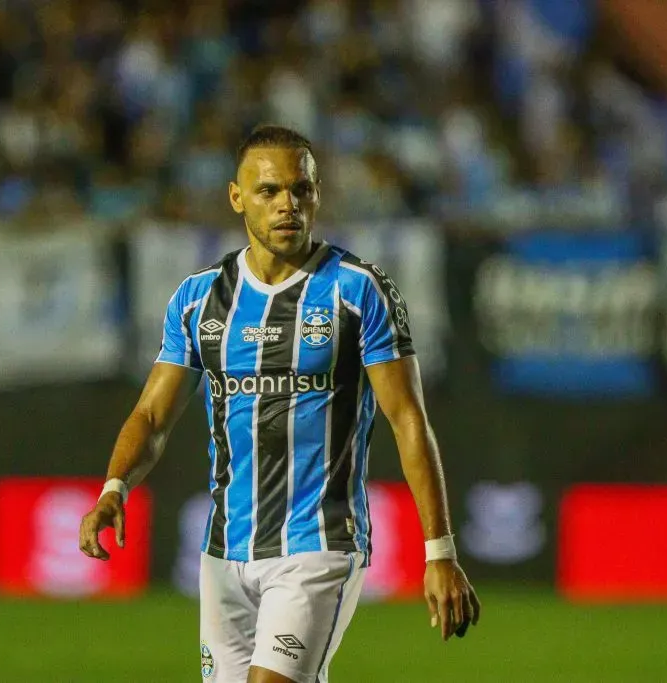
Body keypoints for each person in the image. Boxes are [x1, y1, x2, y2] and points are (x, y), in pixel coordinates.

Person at [79, 125, 480, 683]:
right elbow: (151, 415)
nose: (288, 204)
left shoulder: (357, 290)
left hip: (319, 542)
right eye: (269, 191)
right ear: (236, 197)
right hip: (225, 549)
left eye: (302, 189)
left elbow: (407, 419)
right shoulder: (199, 299)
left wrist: (439, 550)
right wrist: (114, 488)